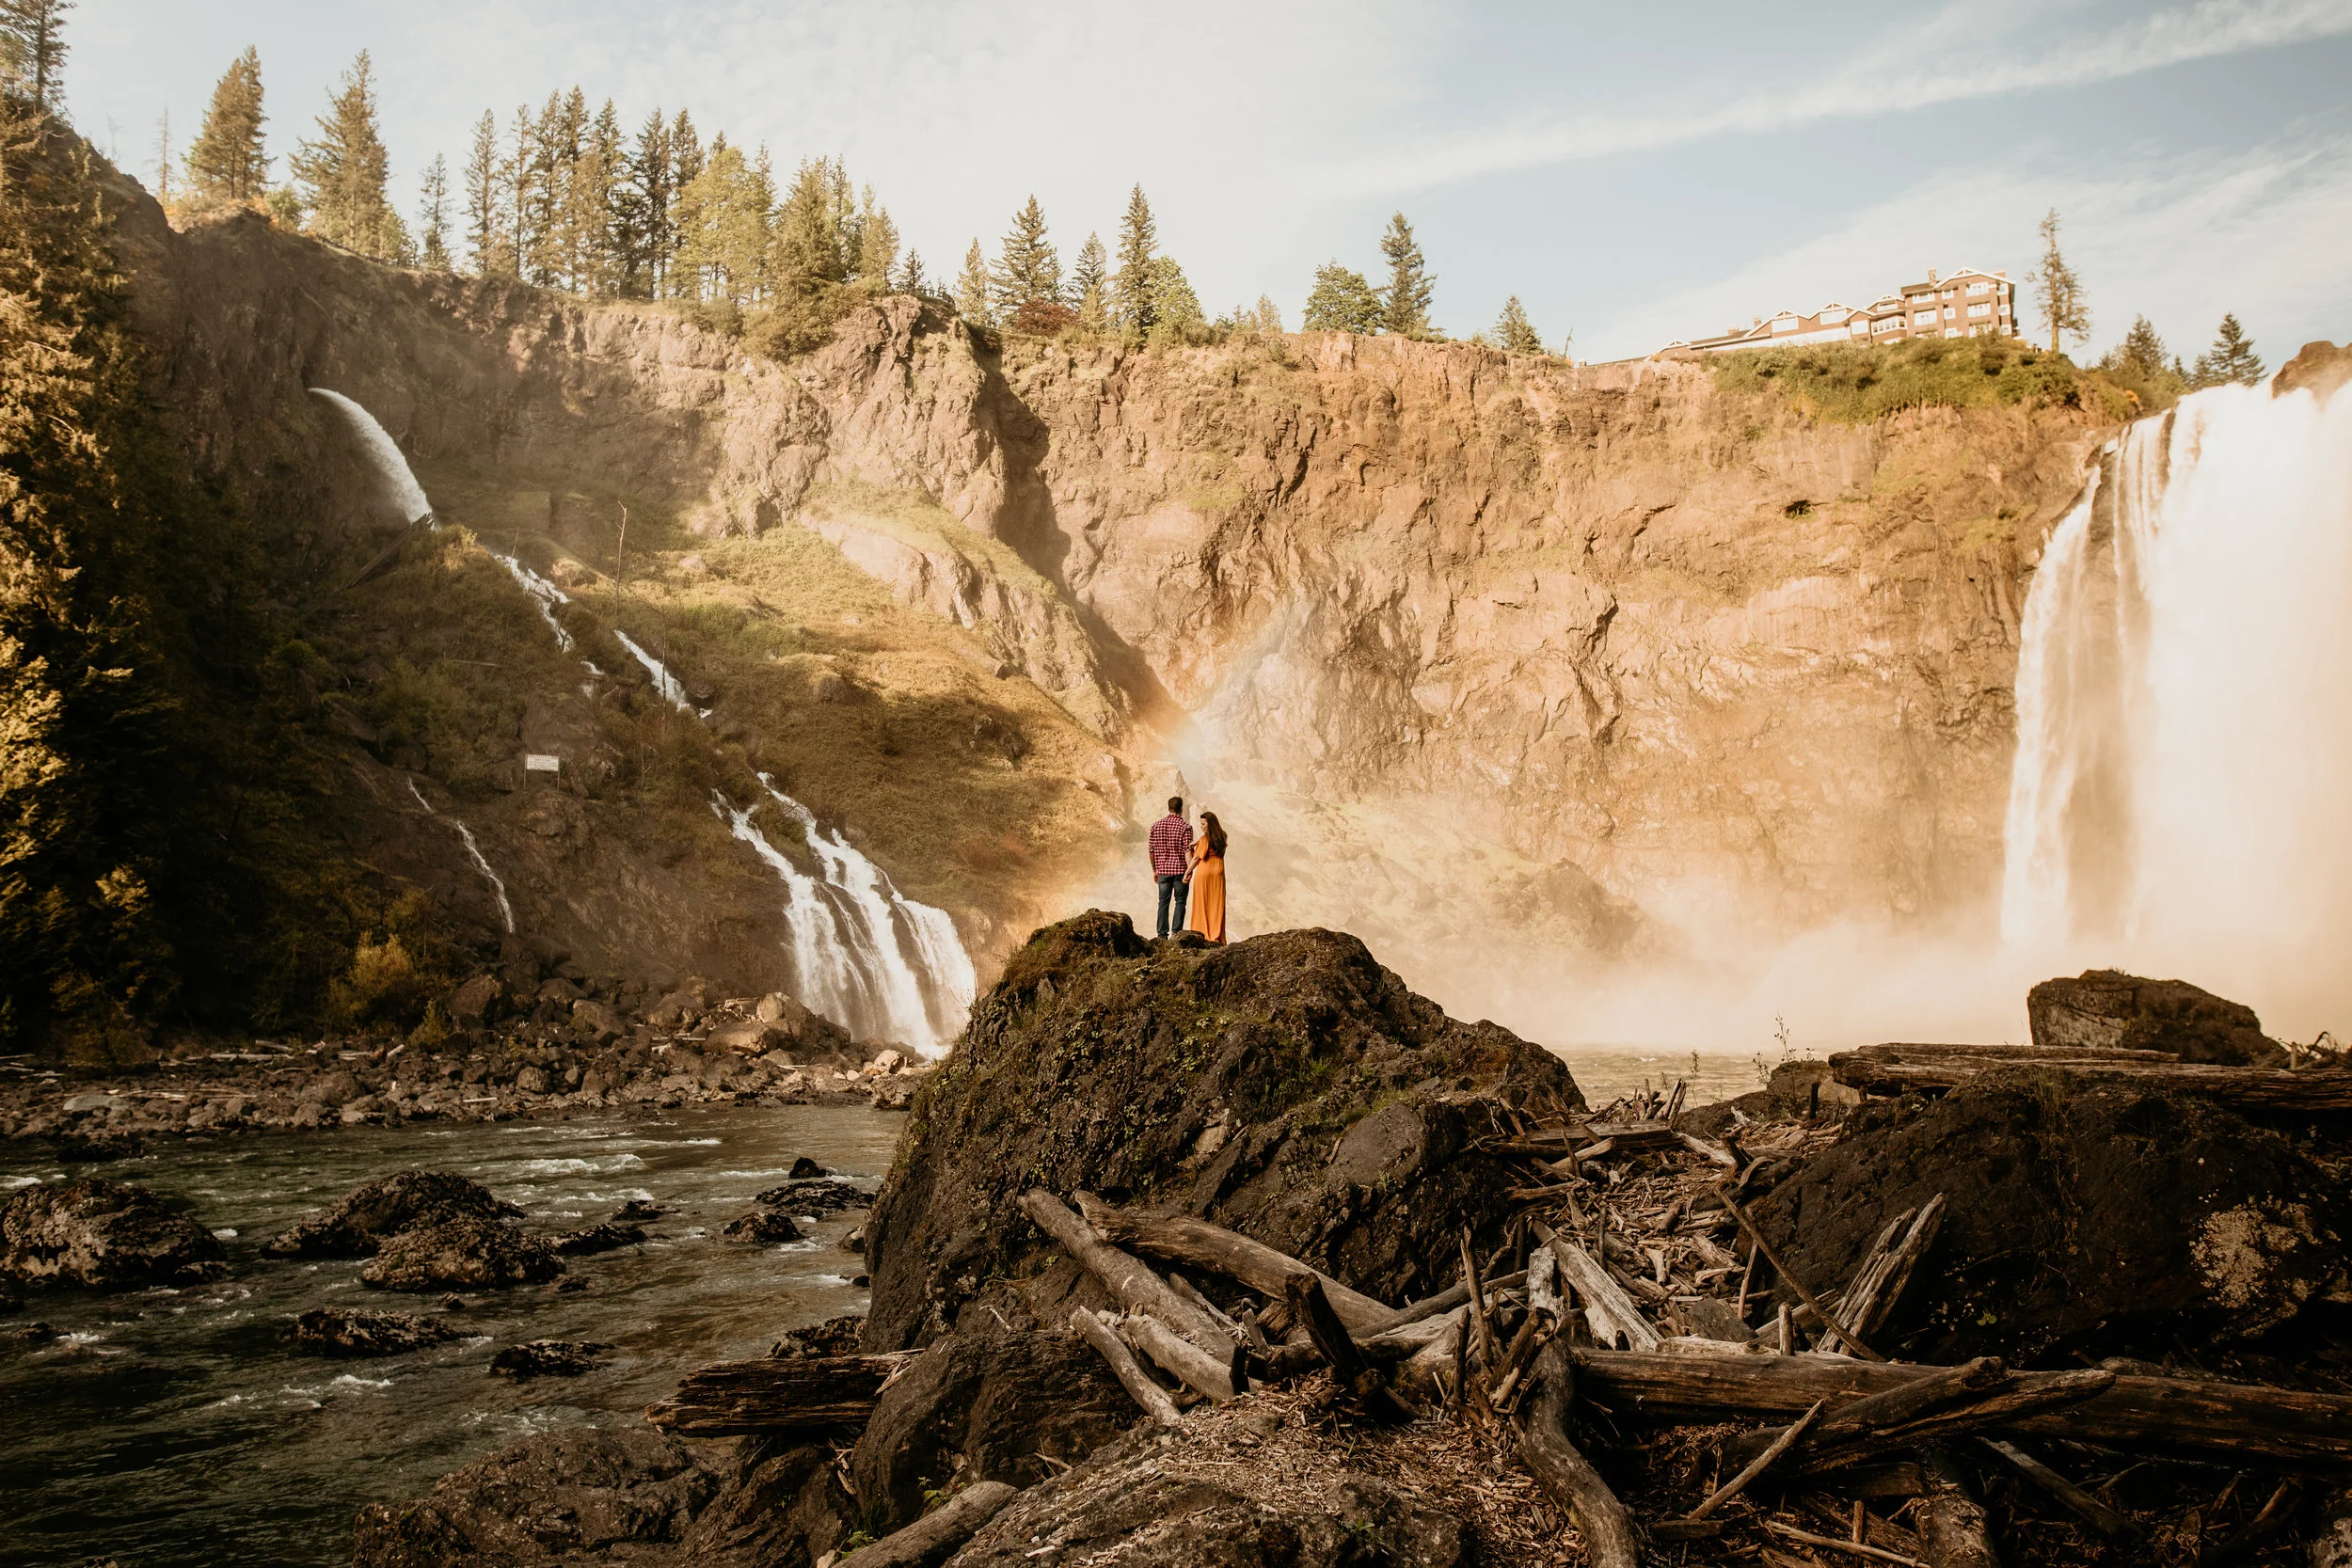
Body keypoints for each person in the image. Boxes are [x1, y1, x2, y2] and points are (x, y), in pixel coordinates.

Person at [1148, 796, 1193, 938]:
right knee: (1180, 901)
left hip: (1163, 871)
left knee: (1163, 902)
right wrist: (1189, 871)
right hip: (1180, 871)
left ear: (1169, 808)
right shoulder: (1186, 827)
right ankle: (1176, 933)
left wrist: (1154, 870)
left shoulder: (1156, 826)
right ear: (1181, 809)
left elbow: (1151, 850)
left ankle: (1161, 935)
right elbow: (1187, 850)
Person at [1185, 811, 1228, 944]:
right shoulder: (1222, 836)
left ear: (1210, 824)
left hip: (1205, 872)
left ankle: (1202, 932)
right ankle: (1216, 934)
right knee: (1217, 904)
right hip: (1219, 873)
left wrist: (1187, 872)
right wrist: (1197, 842)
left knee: (1202, 903)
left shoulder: (1205, 839)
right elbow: (1210, 844)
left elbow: (1196, 858)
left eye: (1203, 824)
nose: (1201, 827)